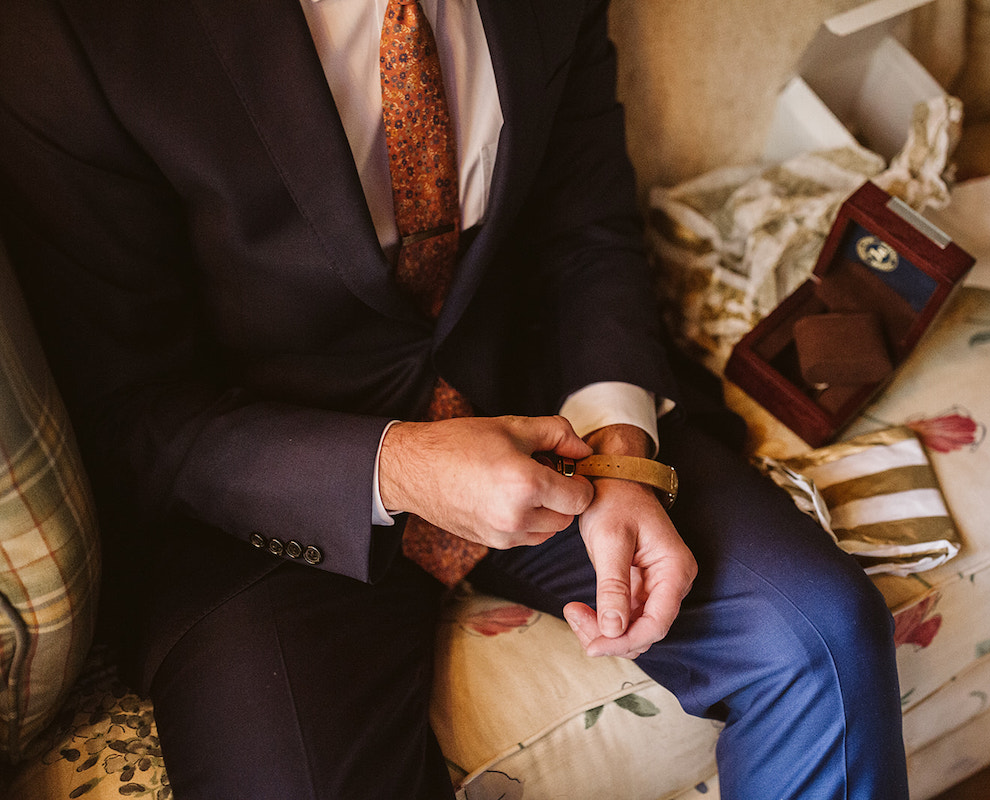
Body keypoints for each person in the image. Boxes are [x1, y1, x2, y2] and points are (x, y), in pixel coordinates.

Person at [0, 0, 909, 797]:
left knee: (818, 639)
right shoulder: (71, 29)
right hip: (256, 504)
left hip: (545, 409)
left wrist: (623, 453)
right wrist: (392, 466)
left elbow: (583, 225)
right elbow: (130, 407)